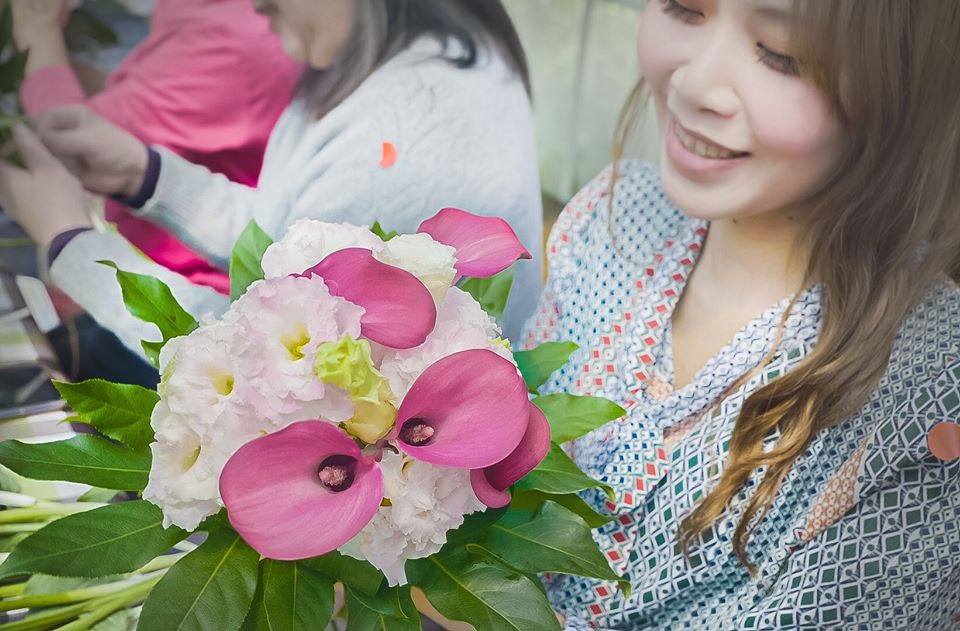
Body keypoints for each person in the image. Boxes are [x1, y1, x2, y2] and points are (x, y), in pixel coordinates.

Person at [521, 0, 960, 628]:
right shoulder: (610, 223)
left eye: (781, 54)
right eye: (682, 7)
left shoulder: (933, 390)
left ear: (901, 87)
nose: (695, 83)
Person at [0, 0, 542, 352]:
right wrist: (150, 177)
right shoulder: (415, 58)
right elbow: (289, 240)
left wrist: (70, 241)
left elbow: (256, 363)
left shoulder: (406, 139)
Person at [12, 0, 301, 292]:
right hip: (153, 258)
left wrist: (36, 27)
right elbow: (153, 85)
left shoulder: (239, 39)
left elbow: (71, 141)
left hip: (187, 293)